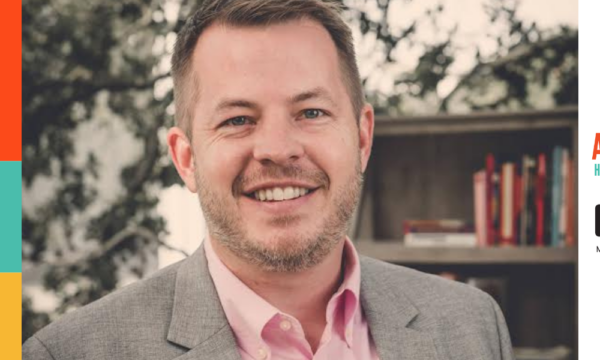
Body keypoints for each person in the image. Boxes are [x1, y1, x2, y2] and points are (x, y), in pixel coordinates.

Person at [23, 0, 514, 359]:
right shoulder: (69, 353)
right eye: (238, 119)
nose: (278, 149)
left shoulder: (472, 326)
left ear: (362, 138)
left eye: (312, 111)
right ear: (186, 158)